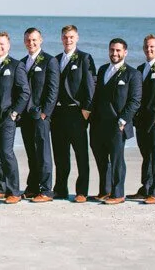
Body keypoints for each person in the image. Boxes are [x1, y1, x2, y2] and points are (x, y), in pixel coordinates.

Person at [90, 38, 142, 205]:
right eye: (112, 50)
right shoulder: (103, 69)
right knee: (101, 158)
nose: (114, 53)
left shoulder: (133, 74)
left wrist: (123, 120)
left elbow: (135, 101)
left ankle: (118, 194)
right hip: (98, 123)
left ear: (125, 52)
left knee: (117, 160)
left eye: (118, 50)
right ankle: (105, 191)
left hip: (117, 125)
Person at [0, 32, 29, 204]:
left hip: (7, 118)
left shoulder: (16, 65)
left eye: (2, 44)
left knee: (6, 153)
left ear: (8, 46)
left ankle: (14, 191)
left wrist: (14, 113)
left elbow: (24, 92)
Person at [51, 25, 97, 203]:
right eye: (65, 37)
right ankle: (60, 189)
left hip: (76, 114)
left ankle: (81, 191)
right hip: (58, 114)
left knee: (81, 155)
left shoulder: (85, 58)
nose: (68, 40)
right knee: (60, 155)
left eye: (71, 37)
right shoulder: (55, 60)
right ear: (61, 39)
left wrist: (86, 111)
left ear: (77, 38)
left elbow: (90, 85)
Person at [128, 34, 155, 205]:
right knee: (146, 156)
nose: (149, 49)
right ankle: (145, 189)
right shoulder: (140, 69)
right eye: (147, 46)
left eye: (152, 46)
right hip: (141, 121)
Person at [20, 28, 59, 202]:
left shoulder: (49, 61)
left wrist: (45, 113)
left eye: (34, 40)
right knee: (31, 153)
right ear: (24, 42)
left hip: (41, 115)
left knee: (43, 153)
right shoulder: (22, 62)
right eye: (28, 40)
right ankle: (33, 187)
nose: (31, 43)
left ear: (41, 40)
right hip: (26, 116)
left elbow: (53, 89)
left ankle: (46, 190)